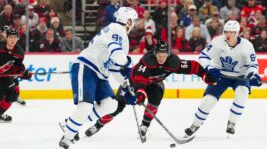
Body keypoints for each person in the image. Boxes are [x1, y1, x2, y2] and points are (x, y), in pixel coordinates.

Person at [84, 41, 216, 140]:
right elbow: (139, 79)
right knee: (117, 106)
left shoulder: (173, 62)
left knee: (156, 97)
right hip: (133, 83)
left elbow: (192, 67)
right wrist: (140, 93)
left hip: (154, 84)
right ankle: (97, 125)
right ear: (155, 53)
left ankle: (144, 126)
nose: (161, 58)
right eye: (159, 55)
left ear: (168, 54)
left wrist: (204, 75)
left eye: (164, 55)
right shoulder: (146, 62)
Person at [56, 7, 138, 149]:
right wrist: (128, 66)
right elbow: (119, 57)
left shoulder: (120, 35)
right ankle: (66, 140)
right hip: (86, 67)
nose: (134, 24)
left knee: (111, 105)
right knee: (85, 106)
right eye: (133, 21)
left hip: (100, 73)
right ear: (128, 20)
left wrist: (126, 84)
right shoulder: (117, 29)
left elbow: (114, 67)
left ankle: (71, 124)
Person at [184, 20, 262, 137]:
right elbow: (203, 56)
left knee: (242, 93)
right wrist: (210, 68)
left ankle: (232, 123)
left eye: (231, 32)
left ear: (237, 33)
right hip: (220, 76)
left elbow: (253, 65)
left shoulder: (247, 45)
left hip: (239, 76)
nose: (228, 34)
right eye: (226, 31)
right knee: (208, 100)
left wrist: (253, 75)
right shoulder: (217, 42)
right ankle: (195, 124)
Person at [0, 28, 32, 122]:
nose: (12, 39)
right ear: (6, 38)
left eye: (15, 37)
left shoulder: (19, 52)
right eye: (10, 37)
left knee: (13, 95)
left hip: (5, 75)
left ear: (17, 38)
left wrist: (24, 73)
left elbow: (17, 67)